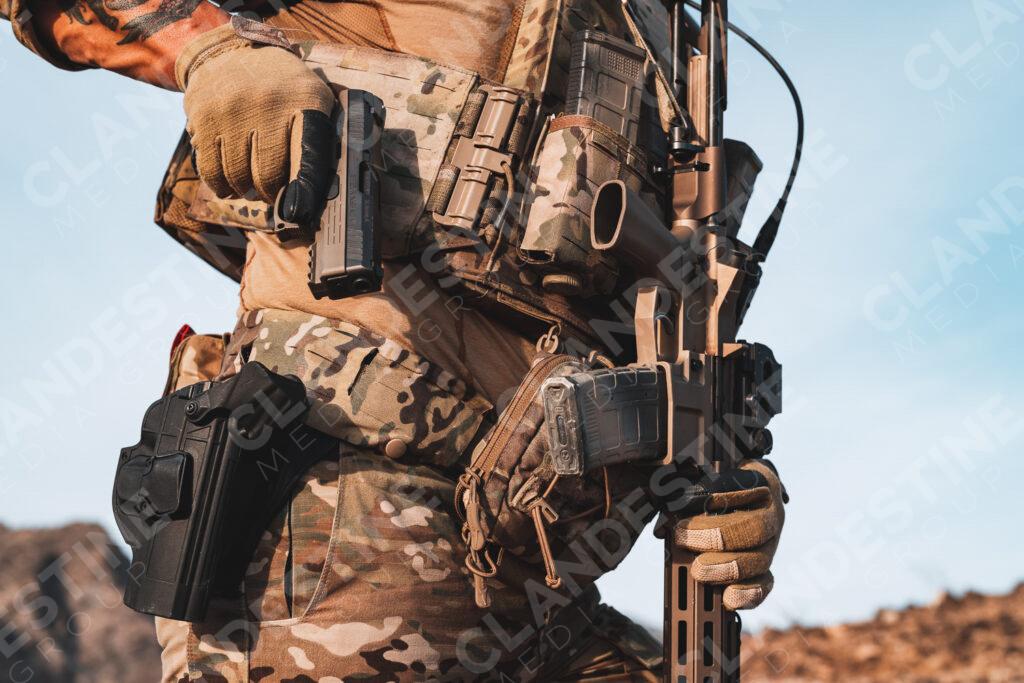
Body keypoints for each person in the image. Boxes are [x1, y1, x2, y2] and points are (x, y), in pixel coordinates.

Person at [1, 0, 788, 679]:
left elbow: (652, 312)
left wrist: (713, 477)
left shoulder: (667, 34)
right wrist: (208, 48)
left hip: (545, 557)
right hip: (338, 514)